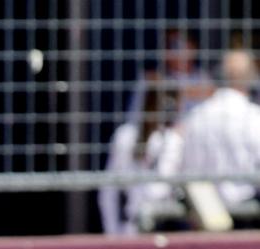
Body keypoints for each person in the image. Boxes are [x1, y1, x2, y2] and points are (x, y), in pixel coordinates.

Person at [175, 48, 260, 216]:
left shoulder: (196, 117)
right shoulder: (254, 117)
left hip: (205, 213)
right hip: (247, 215)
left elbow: (182, 166)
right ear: (250, 78)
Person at [98, 77, 184, 235]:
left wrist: (113, 232)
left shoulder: (170, 138)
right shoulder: (127, 136)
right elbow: (108, 192)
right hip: (142, 228)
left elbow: (107, 194)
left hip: (152, 228)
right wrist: (114, 234)